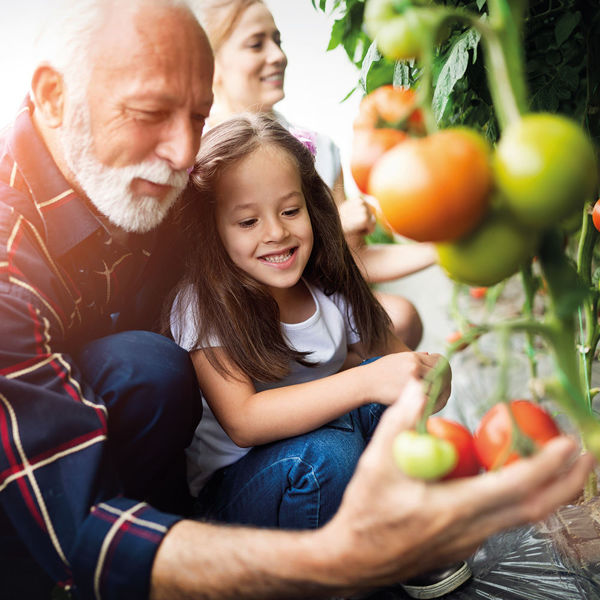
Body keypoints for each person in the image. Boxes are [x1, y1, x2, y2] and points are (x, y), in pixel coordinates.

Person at [0, 0, 594, 599]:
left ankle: (405, 542)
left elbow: (379, 341)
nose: (183, 153)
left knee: (363, 404)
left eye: (197, 116)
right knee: (299, 440)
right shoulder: (12, 265)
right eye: (151, 112)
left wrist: (416, 374)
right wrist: (332, 560)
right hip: (106, 492)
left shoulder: (176, 191)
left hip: (184, 451)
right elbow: (78, 520)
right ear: (53, 97)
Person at [168, 113, 450, 534]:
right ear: (213, 229)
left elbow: (401, 366)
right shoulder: (203, 303)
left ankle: (392, 535)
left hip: (321, 459)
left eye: (289, 210)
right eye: (248, 221)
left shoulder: (330, 287)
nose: (276, 232)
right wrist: (367, 381)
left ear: (310, 206)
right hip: (238, 494)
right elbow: (244, 421)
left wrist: (431, 378)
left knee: (386, 401)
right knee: (325, 455)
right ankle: (313, 577)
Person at [197, 0, 437, 349]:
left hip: (317, 310)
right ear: (212, 63)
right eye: (256, 43)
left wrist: (443, 251)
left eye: (278, 40)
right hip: (243, 324)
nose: (278, 55)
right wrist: (330, 229)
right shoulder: (198, 160)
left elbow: (356, 261)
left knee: (401, 317)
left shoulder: (321, 150)